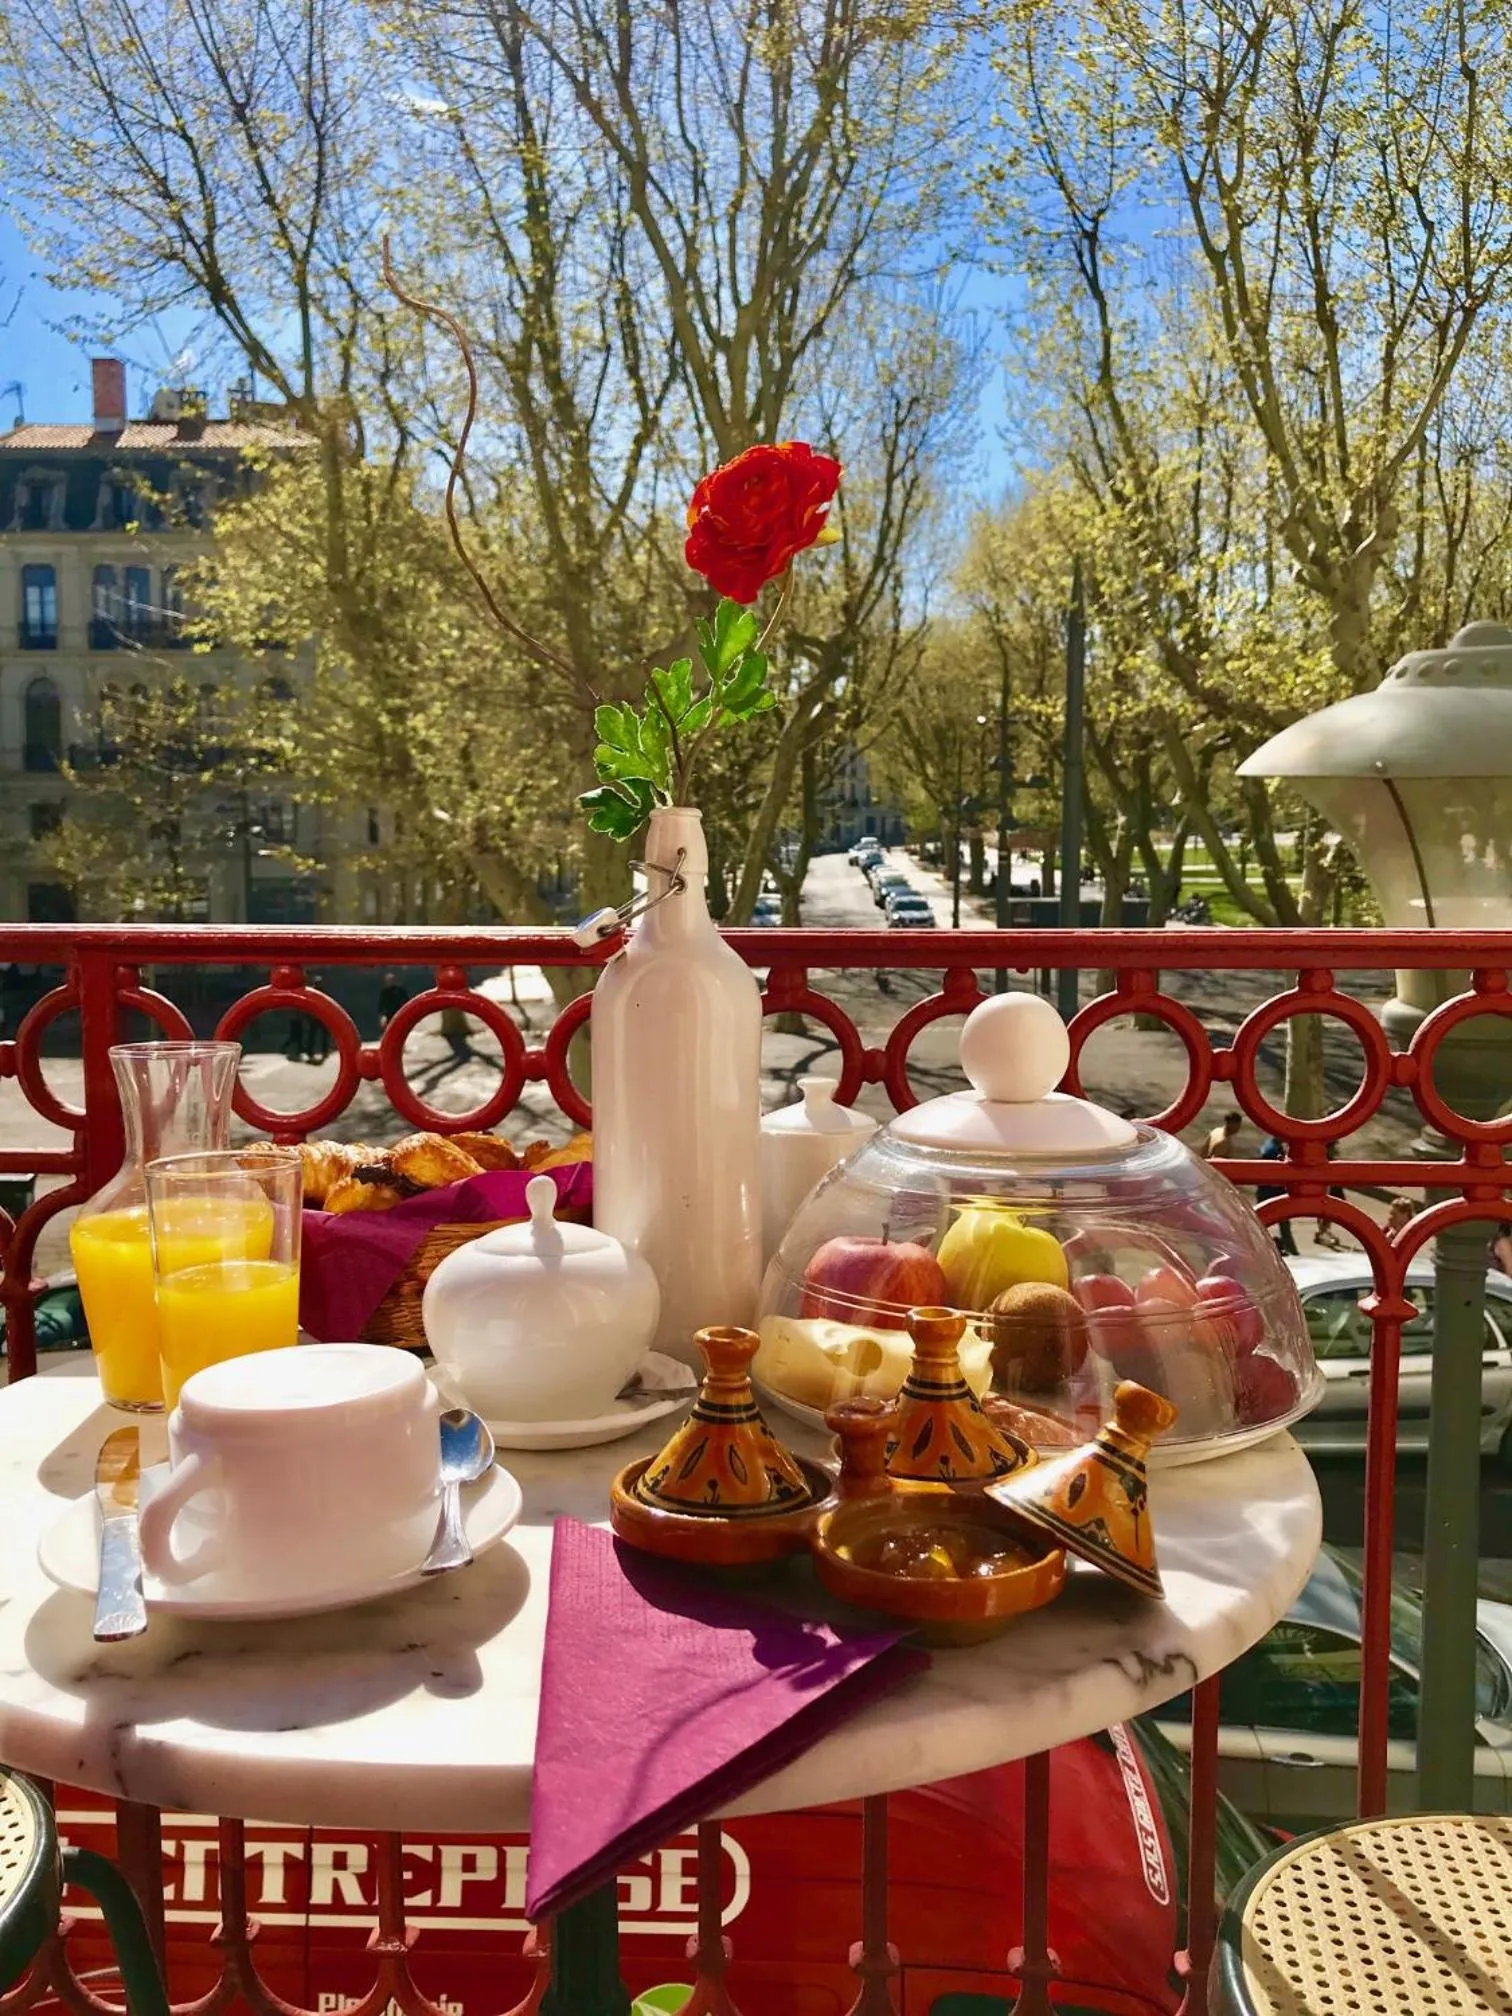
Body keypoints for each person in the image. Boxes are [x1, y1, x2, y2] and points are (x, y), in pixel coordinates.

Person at [1257, 1134, 1297, 1256]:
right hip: (1272, 1192)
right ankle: (1291, 1250)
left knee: (1262, 1223)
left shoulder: (1270, 1145)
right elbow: (1271, 1172)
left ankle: (1289, 1249)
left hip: (1266, 1191)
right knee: (1282, 1223)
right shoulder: (1272, 1150)